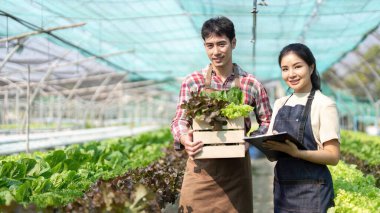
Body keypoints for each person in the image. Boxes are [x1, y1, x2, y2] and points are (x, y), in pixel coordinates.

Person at [170, 16, 272, 213]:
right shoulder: (193, 82)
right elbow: (179, 120)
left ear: (233, 43)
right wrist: (184, 138)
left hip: (236, 175)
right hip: (200, 172)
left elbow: (267, 122)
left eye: (221, 44)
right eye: (210, 45)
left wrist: (251, 141)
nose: (216, 52)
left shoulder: (251, 84)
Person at [262, 43, 340, 213]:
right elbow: (272, 154)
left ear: (311, 67)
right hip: (283, 189)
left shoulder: (324, 104)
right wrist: (265, 144)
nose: (291, 74)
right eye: (285, 69)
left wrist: (296, 153)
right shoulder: (280, 103)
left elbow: (333, 156)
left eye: (297, 67)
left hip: (313, 191)